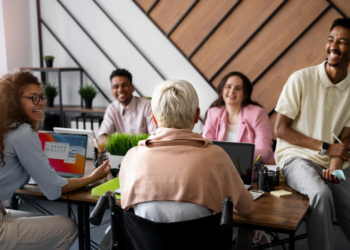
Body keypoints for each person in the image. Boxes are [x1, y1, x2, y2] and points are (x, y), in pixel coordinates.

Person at [0, 70, 111, 250]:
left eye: (41, 97)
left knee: (38, 221)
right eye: (33, 98)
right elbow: (54, 190)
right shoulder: (21, 133)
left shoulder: (5, 129)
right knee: (68, 228)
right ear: (13, 101)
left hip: (3, 212)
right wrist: (93, 177)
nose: (41, 103)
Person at [119, 79, 254, 223]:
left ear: (154, 119)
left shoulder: (132, 157)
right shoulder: (217, 156)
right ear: (197, 115)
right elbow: (246, 208)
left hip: (144, 244)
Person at [274, 17, 350, 250]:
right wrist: (326, 148)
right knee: (320, 195)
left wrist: (336, 165)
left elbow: (345, 138)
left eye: (343, 41)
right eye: (331, 39)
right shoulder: (301, 79)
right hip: (295, 158)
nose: (334, 46)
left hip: (332, 163)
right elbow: (280, 129)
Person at [203, 71, 274, 163]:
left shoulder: (257, 114)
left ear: (245, 94)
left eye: (238, 88)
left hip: (250, 170)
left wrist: (236, 158)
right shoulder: (213, 113)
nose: (232, 91)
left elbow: (264, 150)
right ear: (222, 90)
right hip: (219, 167)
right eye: (228, 87)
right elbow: (205, 146)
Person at [98, 68, 157, 144]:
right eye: (116, 87)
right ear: (112, 91)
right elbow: (101, 137)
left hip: (143, 154)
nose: (120, 90)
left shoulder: (148, 106)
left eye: (124, 85)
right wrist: (118, 147)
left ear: (132, 87)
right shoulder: (112, 109)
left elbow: (155, 137)